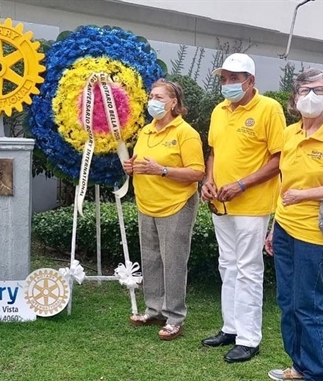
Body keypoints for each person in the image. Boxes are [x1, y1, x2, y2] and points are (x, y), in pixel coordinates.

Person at [265, 69, 323, 381]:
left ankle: (316, 373)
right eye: (305, 90)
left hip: (315, 233)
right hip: (284, 229)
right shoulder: (290, 133)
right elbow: (284, 185)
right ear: (294, 98)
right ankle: (298, 366)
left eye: (319, 90)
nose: (311, 96)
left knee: (308, 305)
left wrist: (305, 194)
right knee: (287, 303)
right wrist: (273, 227)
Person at [200, 53, 286, 362]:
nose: (227, 84)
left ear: (250, 81)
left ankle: (249, 339)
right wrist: (208, 181)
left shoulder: (269, 109)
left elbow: (278, 159)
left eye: (233, 79)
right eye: (223, 79)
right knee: (228, 265)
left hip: (251, 204)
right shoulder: (219, 110)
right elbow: (214, 152)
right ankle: (231, 328)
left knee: (248, 270)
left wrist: (242, 184)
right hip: (220, 204)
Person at [122, 79, 204, 340]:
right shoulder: (146, 131)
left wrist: (162, 170)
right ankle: (154, 309)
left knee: (174, 261)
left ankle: (175, 316)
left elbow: (197, 172)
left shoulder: (185, 133)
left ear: (173, 103)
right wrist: (130, 168)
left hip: (176, 205)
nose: (152, 101)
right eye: (151, 96)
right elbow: (140, 163)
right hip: (147, 204)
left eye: (159, 97)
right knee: (151, 259)